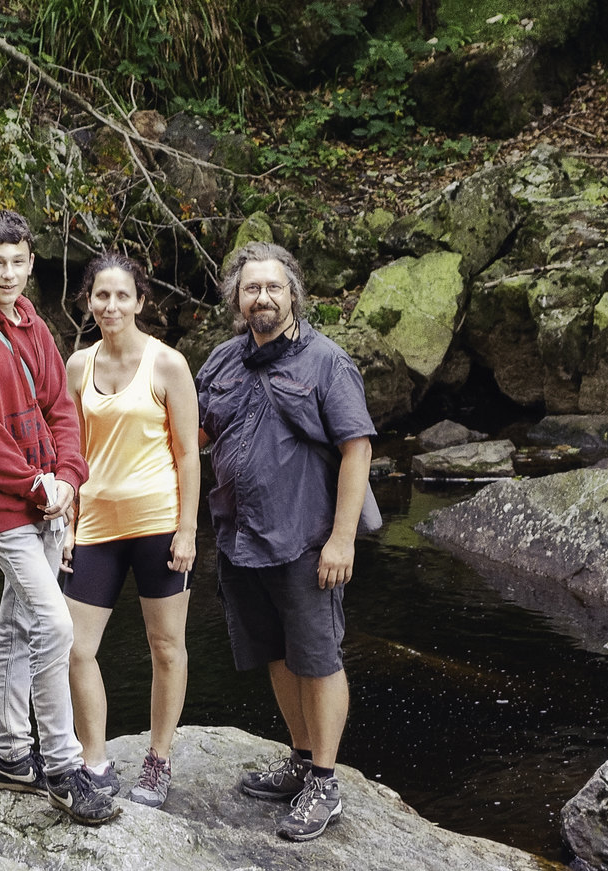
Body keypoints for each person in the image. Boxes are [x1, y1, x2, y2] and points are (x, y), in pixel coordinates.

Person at [0, 210, 118, 825]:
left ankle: (11, 756)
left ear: (31, 263)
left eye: (18, 261)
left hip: (49, 498)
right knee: (55, 625)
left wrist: (68, 478)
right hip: (3, 510)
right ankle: (63, 767)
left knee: (16, 627)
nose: (8, 273)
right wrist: (38, 488)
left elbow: (62, 408)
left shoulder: (34, 325)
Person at [195, 241, 375, 842]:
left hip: (306, 541)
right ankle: (299, 760)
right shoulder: (221, 362)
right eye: (251, 288)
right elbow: (190, 436)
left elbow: (357, 449)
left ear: (293, 293)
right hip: (241, 540)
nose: (262, 297)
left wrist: (342, 540)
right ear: (237, 299)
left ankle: (324, 782)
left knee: (318, 658)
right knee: (276, 653)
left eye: (273, 287)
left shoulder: (327, 362)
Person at [58, 251, 200, 809]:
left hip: (158, 525)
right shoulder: (78, 366)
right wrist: (67, 527)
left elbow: (188, 454)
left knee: (165, 646)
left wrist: (187, 530)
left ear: (141, 302)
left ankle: (159, 760)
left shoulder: (168, 365)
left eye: (122, 296)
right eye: (101, 295)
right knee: (75, 649)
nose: (110, 305)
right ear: (88, 302)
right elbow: (70, 453)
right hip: (94, 525)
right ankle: (95, 762)